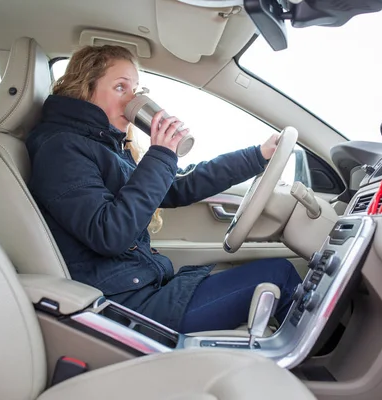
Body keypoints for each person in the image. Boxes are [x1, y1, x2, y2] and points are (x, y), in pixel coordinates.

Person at [26, 45, 302, 333]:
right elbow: (109, 233)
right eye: (121, 87)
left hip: (141, 289)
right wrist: (161, 155)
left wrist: (256, 156)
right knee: (278, 274)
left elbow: (176, 186)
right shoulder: (61, 148)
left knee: (273, 272)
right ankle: (323, 368)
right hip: (126, 309)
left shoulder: (102, 145)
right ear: (85, 88)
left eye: (137, 89)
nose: (134, 99)